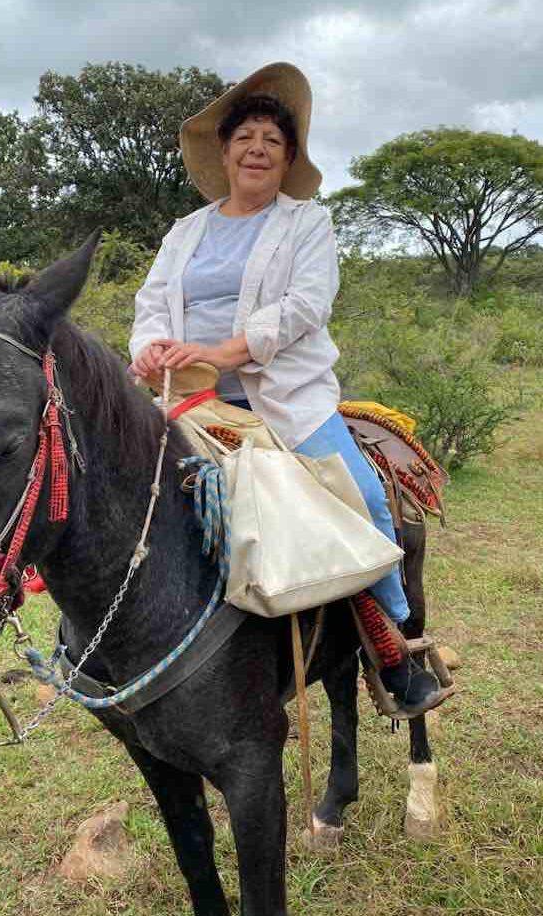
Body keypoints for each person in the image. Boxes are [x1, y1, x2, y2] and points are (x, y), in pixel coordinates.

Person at [129, 62, 442, 714]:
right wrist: (150, 349)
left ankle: (393, 649)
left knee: (359, 500)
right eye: (245, 136)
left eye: (273, 140)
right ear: (225, 150)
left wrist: (225, 350)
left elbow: (304, 305)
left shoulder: (307, 225)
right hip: (191, 401)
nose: (257, 149)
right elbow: (152, 302)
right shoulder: (185, 231)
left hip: (285, 400)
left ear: (289, 158)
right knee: (114, 486)